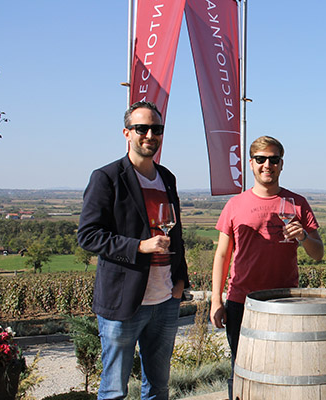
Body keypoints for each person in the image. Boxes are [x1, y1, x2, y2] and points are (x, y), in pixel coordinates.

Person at [77, 101, 189, 400]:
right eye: (142, 128)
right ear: (127, 133)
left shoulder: (167, 177)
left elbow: (176, 235)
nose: (150, 134)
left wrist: (181, 282)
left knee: (158, 388)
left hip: (165, 299)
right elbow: (88, 235)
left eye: (157, 129)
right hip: (124, 302)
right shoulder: (107, 177)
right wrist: (139, 246)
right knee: (114, 390)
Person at [210, 135, 324, 397]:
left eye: (273, 159)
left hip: (285, 301)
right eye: (261, 159)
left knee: (284, 372)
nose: (267, 165)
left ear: (281, 164)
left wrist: (303, 236)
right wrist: (217, 300)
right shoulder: (234, 205)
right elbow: (222, 255)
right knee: (241, 370)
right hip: (243, 302)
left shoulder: (297, 203)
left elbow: (318, 254)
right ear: (251, 164)